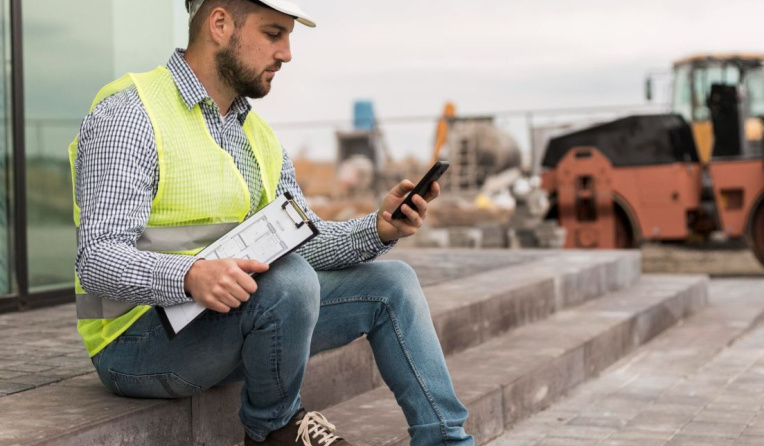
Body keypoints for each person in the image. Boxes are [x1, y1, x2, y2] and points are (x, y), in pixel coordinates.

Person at [69, 0, 474, 445]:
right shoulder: (132, 115)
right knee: (289, 282)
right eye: (273, 34)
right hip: (137, 342)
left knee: (392, 283)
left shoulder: (257, 136)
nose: (286, 54)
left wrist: (380, 228)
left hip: (224, 324)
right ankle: (274, 430)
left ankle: (445, 439)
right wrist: (189, 276)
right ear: (220, 24)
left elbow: (298, 244)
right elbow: (97, 260)